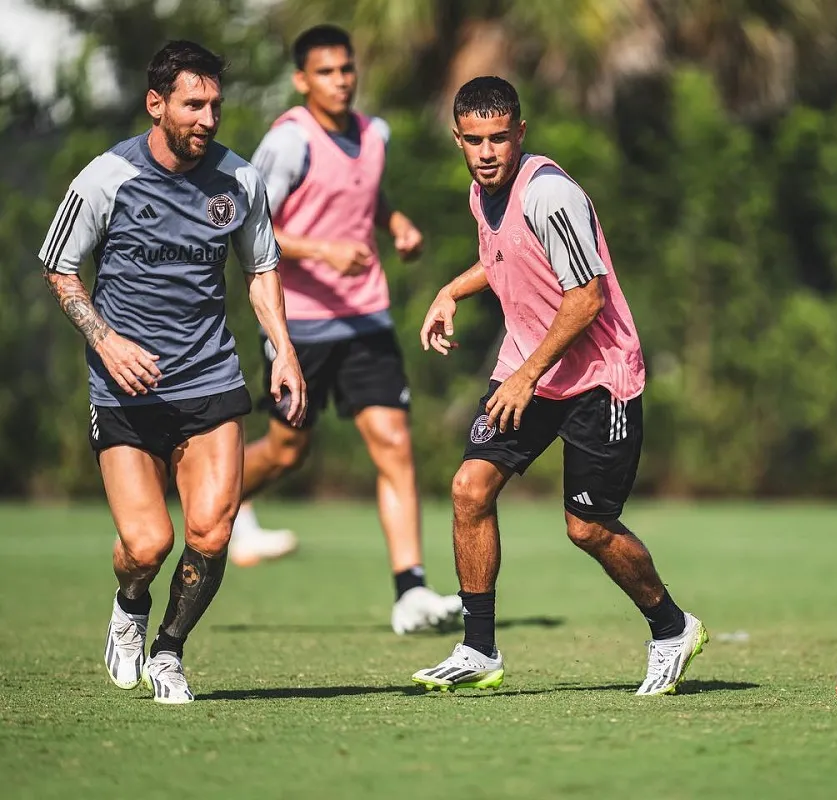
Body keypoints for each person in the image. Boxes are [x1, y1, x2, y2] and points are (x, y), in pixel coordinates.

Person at [411, 77, 706, 695]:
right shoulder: (480, 192)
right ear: (458, 139)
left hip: (600, 378)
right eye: (474, 140)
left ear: (520, 133)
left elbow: (588, 297)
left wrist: (524, 375)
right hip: (533, 371)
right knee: (470, 488)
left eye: (498, 138)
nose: (487, 152)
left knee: (588, 528)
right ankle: (478, 649)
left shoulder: (549, 195)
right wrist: (450, 290)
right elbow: (503, 262)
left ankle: (672, 628)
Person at [38, 41, 306, 704]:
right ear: (156, 105)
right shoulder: (105, 178)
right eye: (194, 103)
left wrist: (285, 352)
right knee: (148, 542)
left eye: (215, 103)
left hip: (210, 378)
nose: (208, 116)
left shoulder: (239, 181)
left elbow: (261, 269)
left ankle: (168, 652)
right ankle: (129, 606)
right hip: (125, 387)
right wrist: (107, 342)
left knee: (211, 530)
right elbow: (61, 269)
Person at [232, 25, 460, 634]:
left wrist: (397, 221)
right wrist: (321, 252)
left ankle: (410, 589)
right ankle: (220, 499)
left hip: (366, 317)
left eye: (347, 69)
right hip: (298, 325)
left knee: (395, 444)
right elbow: (249, 228)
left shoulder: (373, 133)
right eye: (326, 72)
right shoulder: (287, 143)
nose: (341, 80)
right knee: (287, 451)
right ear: (302, 80)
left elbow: (364, 196)